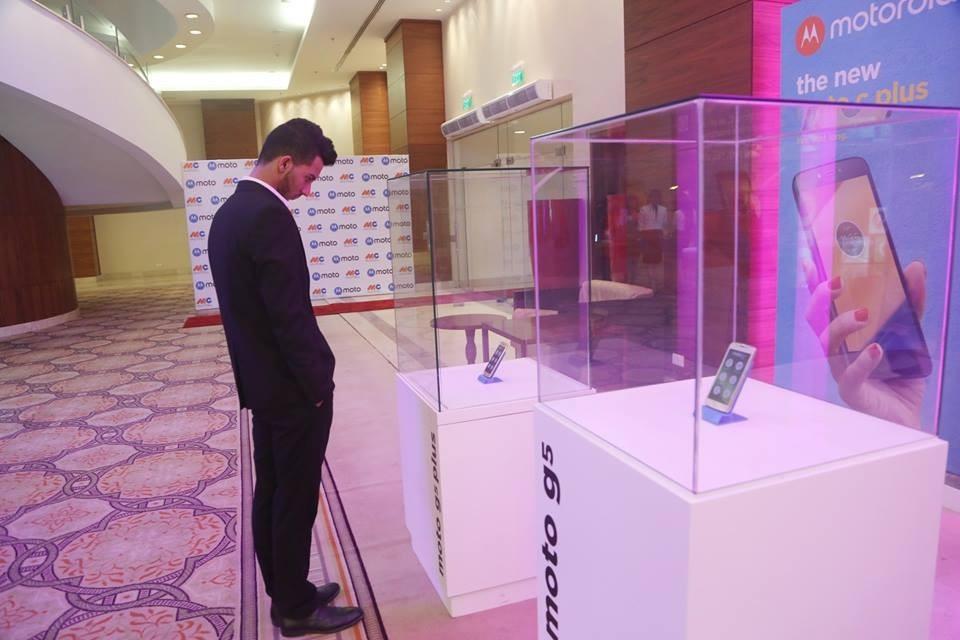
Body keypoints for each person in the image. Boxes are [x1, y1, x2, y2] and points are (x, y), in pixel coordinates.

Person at [208, 118, 363, 637]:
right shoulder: (268, 216)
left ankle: (286, 592)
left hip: (263, 385)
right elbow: (287, 315)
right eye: (308, 178)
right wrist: (317, 385)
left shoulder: (229, 213)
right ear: (284, 163)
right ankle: (296, 608)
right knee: (294, 496)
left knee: (273, 490)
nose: (308, 190)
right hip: (294, 391)